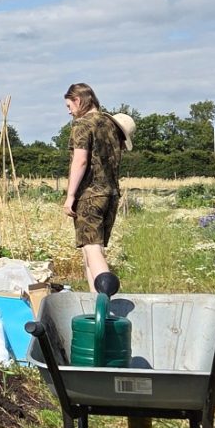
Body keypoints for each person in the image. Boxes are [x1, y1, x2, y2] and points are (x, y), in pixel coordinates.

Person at [60, 82, 132, 290]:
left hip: (90, 195)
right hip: (110, 194)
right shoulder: (112, 126)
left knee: (91, 249)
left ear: (78, 100)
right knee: (90, 249)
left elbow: (80, 160)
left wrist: (70, 195)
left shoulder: (82, 124)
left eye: (69, 106)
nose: (69, 111)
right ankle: (95, 302)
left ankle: (106, 303)